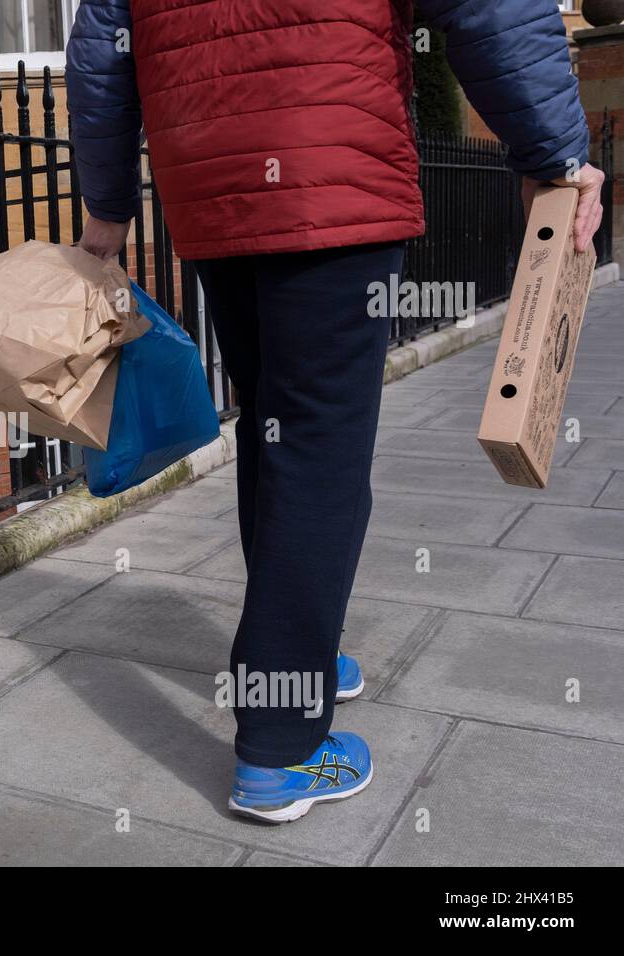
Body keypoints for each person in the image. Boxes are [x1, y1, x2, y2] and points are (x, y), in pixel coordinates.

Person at [65, 0, 605, 823]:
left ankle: (298, 660)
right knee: (318, 447)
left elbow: (103, 41)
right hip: (331, 169)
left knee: (274, 430)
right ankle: (281, 753)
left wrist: (106, 207)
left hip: (210, 184)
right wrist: (554, 152)